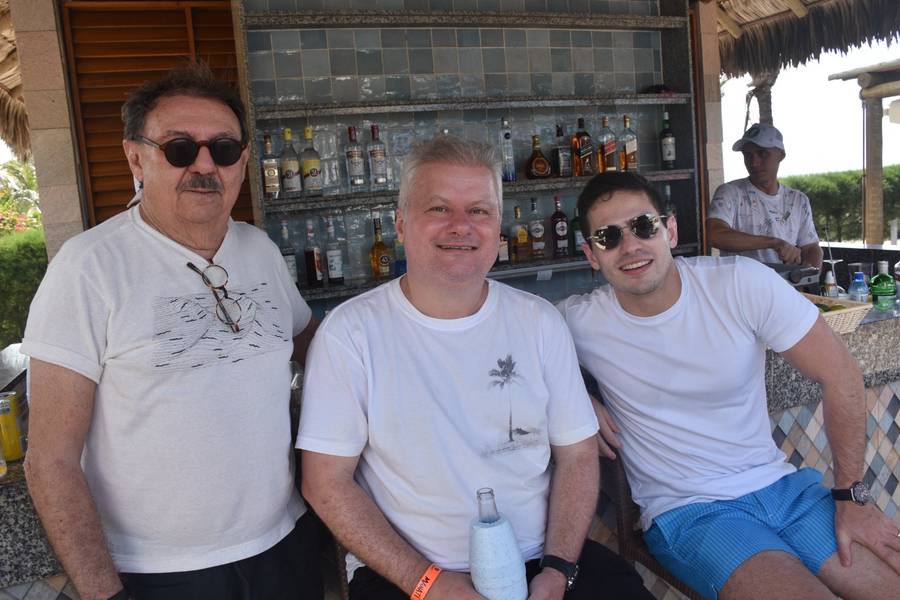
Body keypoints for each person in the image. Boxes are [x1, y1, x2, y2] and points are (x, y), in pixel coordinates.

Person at [297, 136, 653, 600]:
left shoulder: (538, 320)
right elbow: (325, 483)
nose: (461, 226)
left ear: (498, 228)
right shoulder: (350, 333)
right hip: (412, 577)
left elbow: (578, 455)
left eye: (479, 211)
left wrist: (557, 568)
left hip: (540, 560)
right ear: (401, 225)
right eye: (439, 209)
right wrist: (429, 584)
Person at [21, 62, 322, 600]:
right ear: (136, 157)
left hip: (285, 545)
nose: (204, 165)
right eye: (180, 148)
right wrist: (103, 593)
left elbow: (311, 343)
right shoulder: (89, 267)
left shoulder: (259, 249)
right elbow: (51, 460)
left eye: (224, 149)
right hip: (159, 573)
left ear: (243, 160)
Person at [559, 171, 900, 600]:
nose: (630, 247)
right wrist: (576, 397)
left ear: (670, 229)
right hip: (692, 513)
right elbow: (503, 349)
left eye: (643, 226)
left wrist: (852, 496)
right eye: (608, 237)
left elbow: (842, 374)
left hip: (784, 489)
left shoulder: (739, 283)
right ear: (592, 255)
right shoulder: (579, 320)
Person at [707, 123, 823, 269]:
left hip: (785, 288)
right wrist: (774, 243)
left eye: (762, 153)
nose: (754, 162)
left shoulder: (798, 200)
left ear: (781, 155)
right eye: (748, 155)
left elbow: (811, 247)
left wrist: (807, 277)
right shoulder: (730, 193)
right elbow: (714, 235)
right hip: (742, 289)